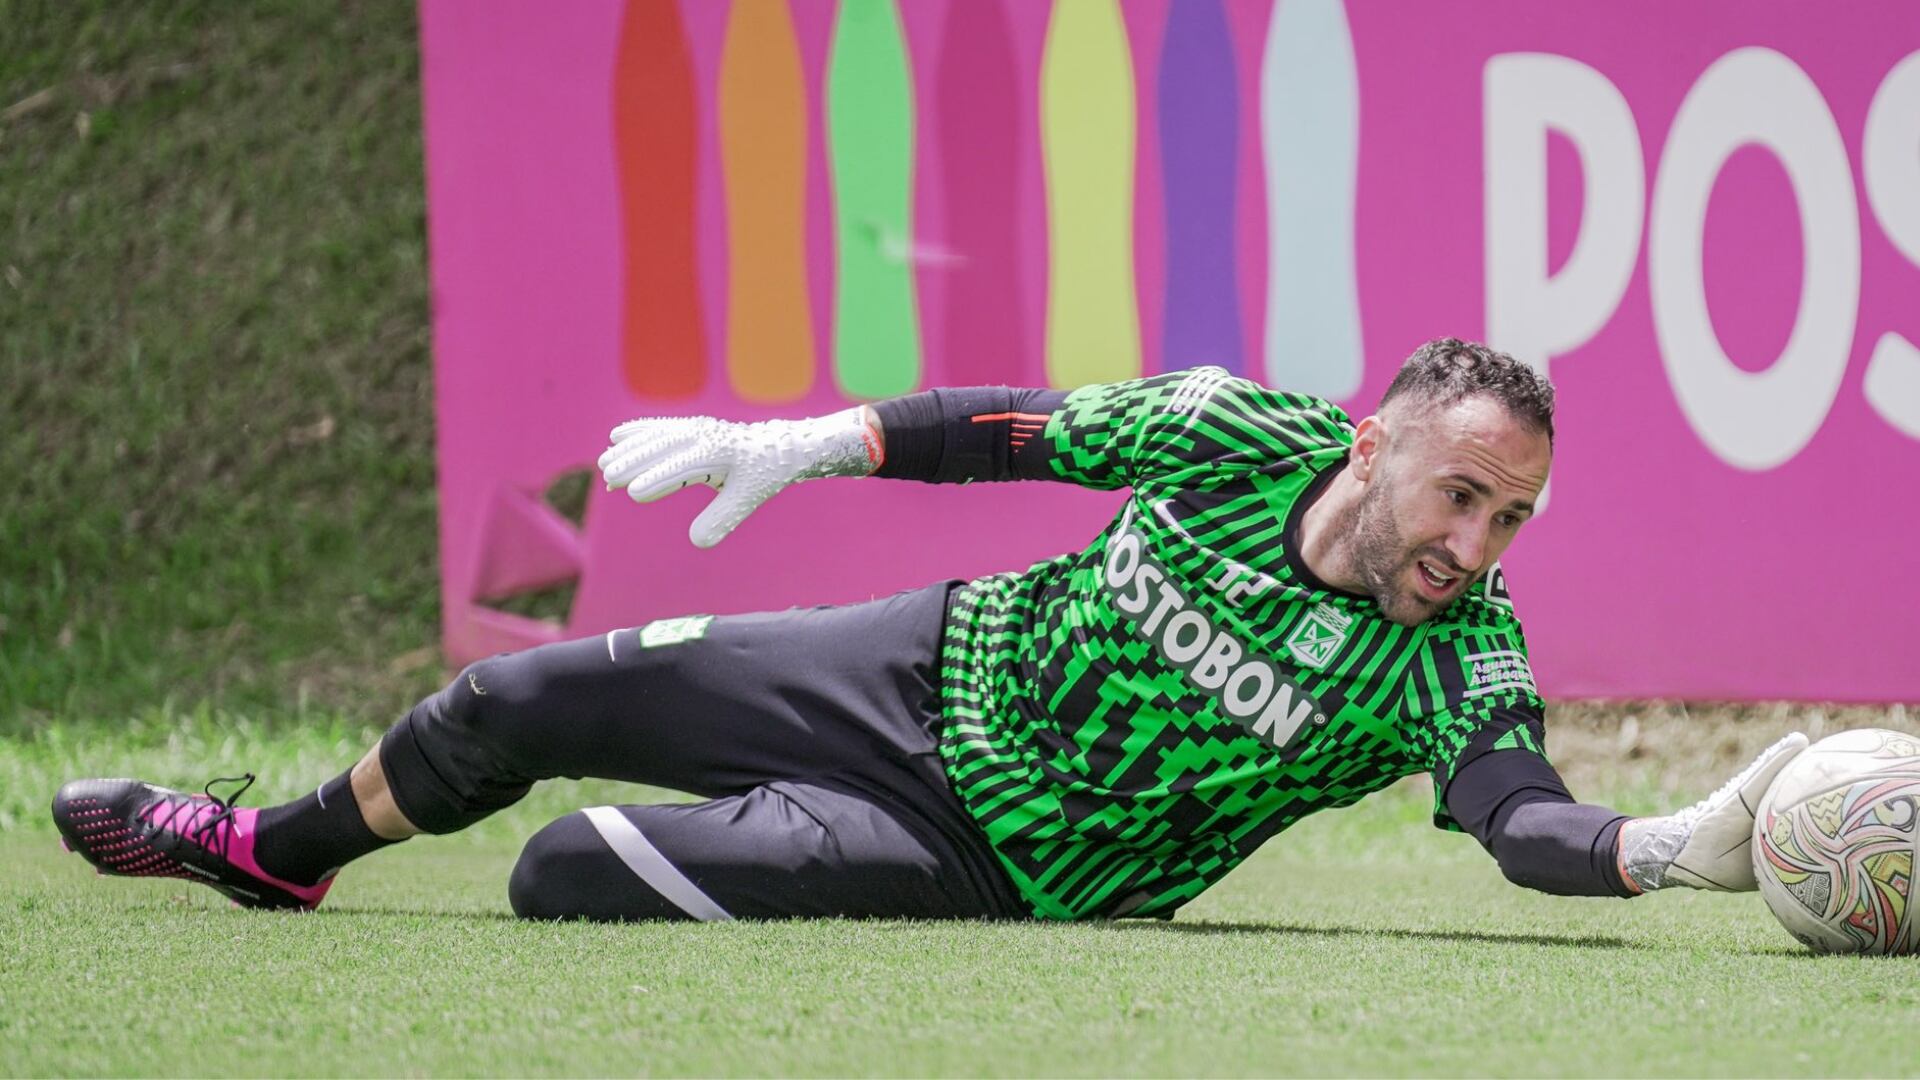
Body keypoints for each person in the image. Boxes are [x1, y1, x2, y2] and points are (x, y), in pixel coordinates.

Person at [53, 338, 1805, 920]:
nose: (1476, 546)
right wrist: (803, 439)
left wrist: (1666, 848)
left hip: (981, 857)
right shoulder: (1233, 429)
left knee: (559, 876)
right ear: (1373, 441)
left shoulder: (1458, 652)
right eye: (1461, 501)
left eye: (1511, 521)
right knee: (507, 696)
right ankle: (270, 852)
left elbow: (1518, 817)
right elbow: (1010, 431)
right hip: (905, 659)